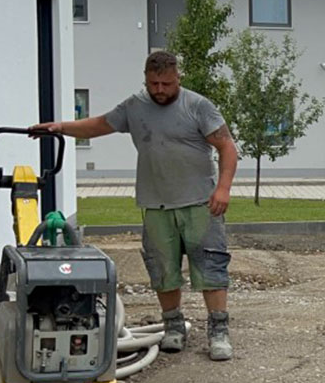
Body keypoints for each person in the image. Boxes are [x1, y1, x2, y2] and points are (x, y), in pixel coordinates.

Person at [32, 50, 238, 361]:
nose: (159, 90)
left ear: (177, 78)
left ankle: (218, 332)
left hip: (200, 202)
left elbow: (227, 147)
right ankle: (173, 328)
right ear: (145, 79)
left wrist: (223, 189)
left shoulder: (198, 106)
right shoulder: (135, 106)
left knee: (209, 266)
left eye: (166, 84)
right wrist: (60, 128)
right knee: (162, 269)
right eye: (153, 83)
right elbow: (100, 125)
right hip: (155, 204)